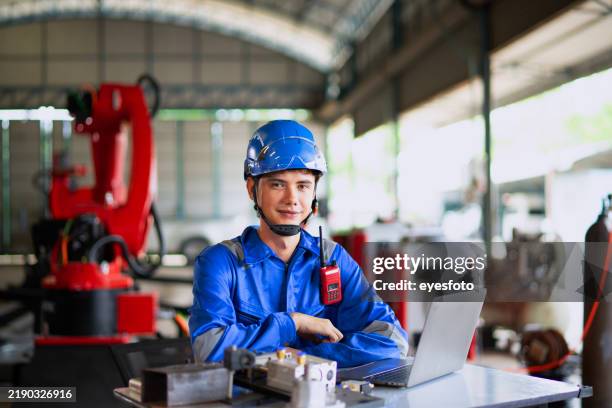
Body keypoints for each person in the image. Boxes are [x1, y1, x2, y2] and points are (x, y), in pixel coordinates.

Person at [189, 120, 408, 368]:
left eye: (303, 186)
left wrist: (302, 360)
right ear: (252, 189)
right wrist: (292, 323)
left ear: (314, 193)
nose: (292, 199)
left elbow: (393, 341)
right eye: (278, 184)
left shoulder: (334, 258)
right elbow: (208, 349)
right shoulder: (220, 262)